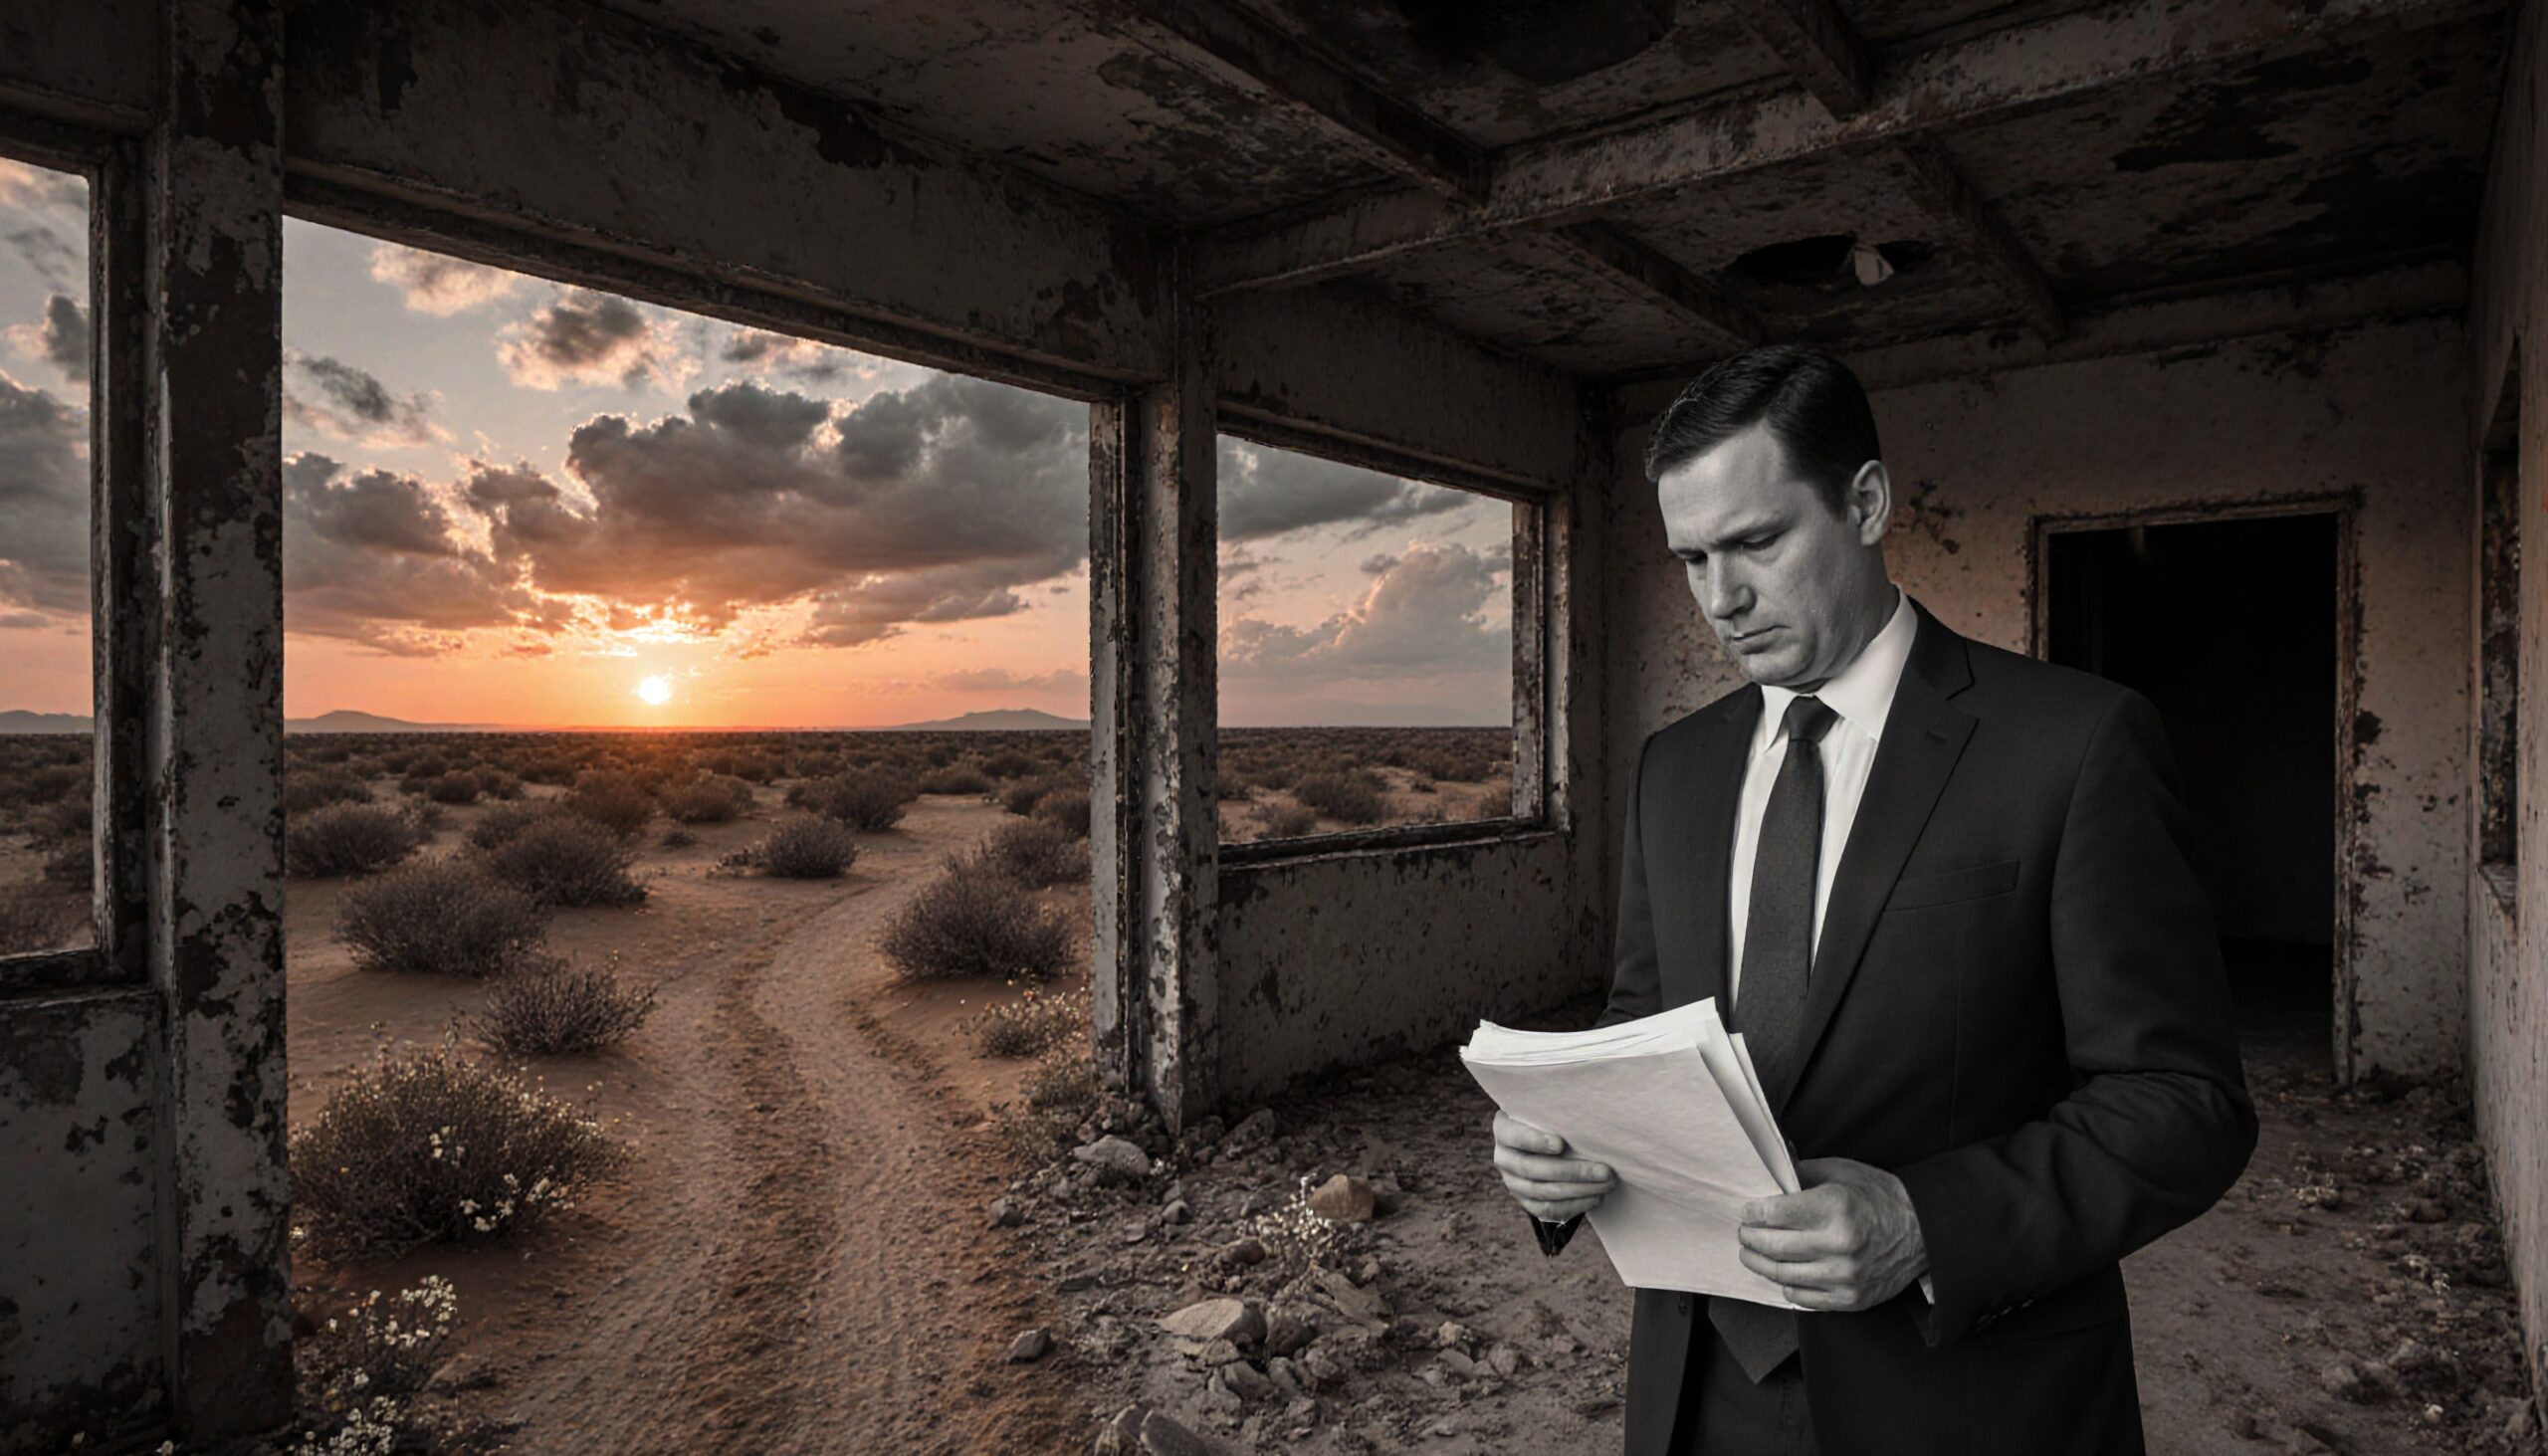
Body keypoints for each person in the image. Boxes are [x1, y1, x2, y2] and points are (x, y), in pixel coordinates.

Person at [1490, 344, 2256, 1455]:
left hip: (1966, 1394)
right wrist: (1563, 1147)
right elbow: (1643, 1025)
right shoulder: (1675, 766)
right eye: (1692, 557)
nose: (1722, 598)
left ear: (1864, 501)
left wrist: (1924, 1219)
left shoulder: (2074, 743)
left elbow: (2183, 1099)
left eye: (1756, 541)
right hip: (1696, 1384)